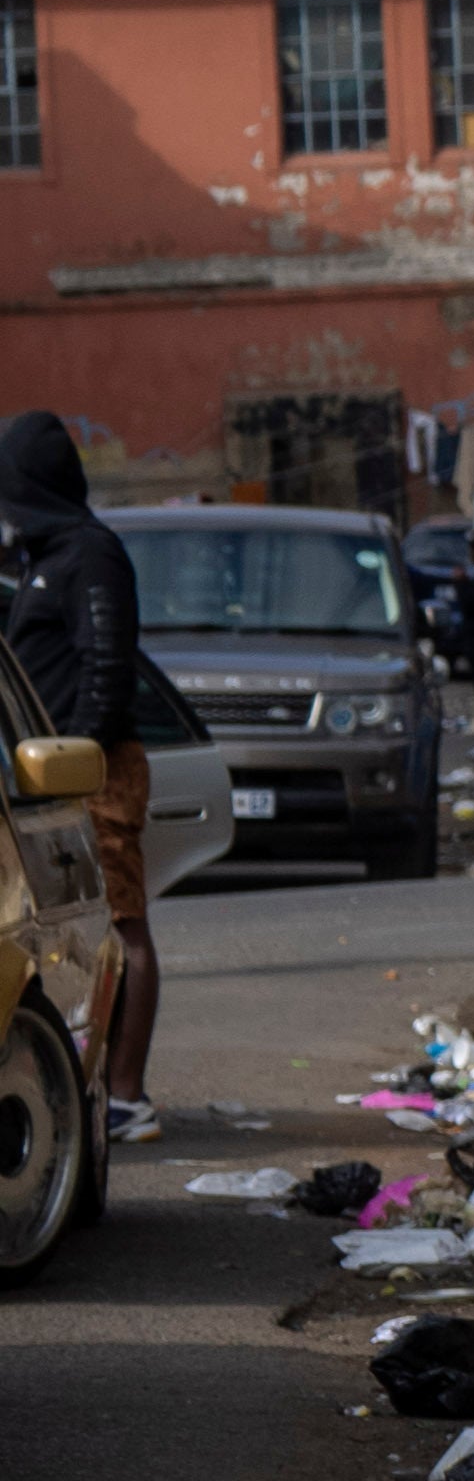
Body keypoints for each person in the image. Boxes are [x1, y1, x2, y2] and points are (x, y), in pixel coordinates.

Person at [0, 412, 191, 1134]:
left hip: (94, 772)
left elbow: (106, 670)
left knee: (122, 930)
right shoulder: (44, 559)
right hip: (52, 776)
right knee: (68, 940)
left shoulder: (90, 555)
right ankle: (86, 1081)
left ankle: (125, 1096)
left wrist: (78, 761)